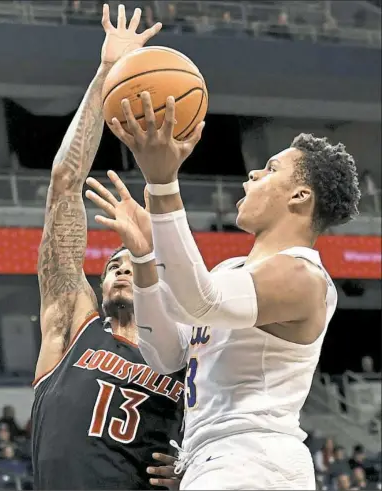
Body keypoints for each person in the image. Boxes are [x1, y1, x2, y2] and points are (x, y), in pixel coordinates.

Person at [94, 92, 360, 489]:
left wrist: (163, 183)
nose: (252, 175)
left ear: (300, 196)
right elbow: (165, 354)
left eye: (270, 169)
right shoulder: (231, 272)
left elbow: (200, 302)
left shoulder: (303, 276)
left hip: (254, 459)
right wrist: (145, 259)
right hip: (217, 458)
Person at [30, 5, 187, 490]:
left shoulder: (184, 357)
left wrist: (194, 471)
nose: (119, 268)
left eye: (131, 262)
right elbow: (65, 181)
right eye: (111, 264)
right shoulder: (72, 325)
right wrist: (105, 74)